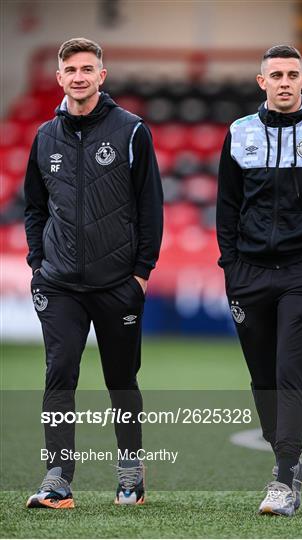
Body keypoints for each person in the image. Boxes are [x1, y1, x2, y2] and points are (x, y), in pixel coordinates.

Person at [24, 37, 163, 508]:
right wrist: (38, 264)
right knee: (58, 376)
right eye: (71, 69)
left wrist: (140, 275)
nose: (79, 76)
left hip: (117, 284)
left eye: (88, 68)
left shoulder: (131, 131)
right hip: (59, 284)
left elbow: (150, 207)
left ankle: (130, 474)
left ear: (102, 77)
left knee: (121, 381)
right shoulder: (45, 137)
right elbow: (34, 207)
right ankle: (57, 478)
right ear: (59, 78)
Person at [216, 45, 302, 516]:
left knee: (288, 371)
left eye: (292, 74)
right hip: (249, 274)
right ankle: (288, 456)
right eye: (275, 74)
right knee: (262, 378)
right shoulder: (239, 134)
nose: (283, 82)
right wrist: (231, 266)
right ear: (261, 82)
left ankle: (282, 481)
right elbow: (227, 207)